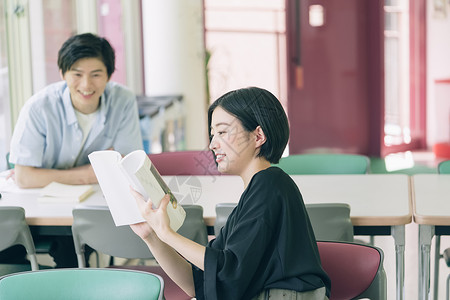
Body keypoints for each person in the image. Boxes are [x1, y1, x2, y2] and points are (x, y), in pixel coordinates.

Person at [130, 87, 331, 299]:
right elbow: (197, 283)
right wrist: (152, 237)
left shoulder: (271, 184)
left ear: (258, 136)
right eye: (212, 134)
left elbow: (228, 270)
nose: (212, 144)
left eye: (222, 132)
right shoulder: (252, 197)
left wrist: (167, 234)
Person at [3, 33, 143, 268]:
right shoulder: (39, 107)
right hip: (41, 209)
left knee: (74, 249)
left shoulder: (123, 101)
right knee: (10, 252)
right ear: (62, 74)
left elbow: (126, 166)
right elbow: (25, 177)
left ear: (109, 75)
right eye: (77, 74)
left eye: (96, 75)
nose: (86, 85)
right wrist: (88, 173)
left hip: (93, 208)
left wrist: (45, 174)